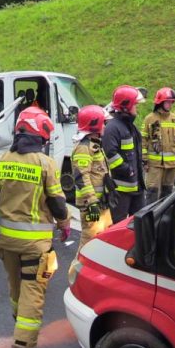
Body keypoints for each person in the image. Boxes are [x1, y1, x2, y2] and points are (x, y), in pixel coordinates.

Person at [0, 107, 70, 348]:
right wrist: (64, 224)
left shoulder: (2, 160)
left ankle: (20, 329)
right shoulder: (46, 164)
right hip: (36, 246)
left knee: (16, 292)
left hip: (7, 243)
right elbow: (59, 204)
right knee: (32, 294)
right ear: (40, 134)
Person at [103, 85, 146, 223]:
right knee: (119, 227)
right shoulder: (113, 127)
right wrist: (128, 170)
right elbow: (111, 155)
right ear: (126, 106)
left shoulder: (129, 125)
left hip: (136, 187)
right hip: (121, 190)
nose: (137, 108)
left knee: (139, 226)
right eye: (135, 105)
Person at [72, 105, 113, 249]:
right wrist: (91, 202)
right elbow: (81, 177)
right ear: (95, 125)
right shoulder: (84, 148)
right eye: (104, 123)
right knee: (88, 245)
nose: (105, 126)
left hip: (100, 202)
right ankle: (78, 271)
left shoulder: (94, 145)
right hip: (92, 206)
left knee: (101, 243)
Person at [142, 87, 175, 202]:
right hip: (154, 165)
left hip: (171, 165)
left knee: (168, 193)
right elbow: (144, 140)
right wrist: (144, 160)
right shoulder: (149, 119)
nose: (170, 105)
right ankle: (150, 217)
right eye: (167, 102)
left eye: (171, 102)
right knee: (152, 192)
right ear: (160, 102)